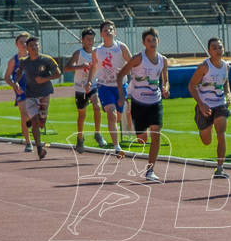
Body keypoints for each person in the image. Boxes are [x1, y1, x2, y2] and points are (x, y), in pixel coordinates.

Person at [116, 27, 170, 182]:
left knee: (156, 133)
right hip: (138, 102)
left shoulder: (163, 60)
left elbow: (165, 80)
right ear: (144, 43)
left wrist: (166, 88)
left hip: (155, 101)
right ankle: (139, 130)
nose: (152, 43)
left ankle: (150, 170)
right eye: (149, 40)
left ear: (158, 41)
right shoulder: (138, 58)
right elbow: (121, 75)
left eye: (154, 40)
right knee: (141, 139)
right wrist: (121, 95)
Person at [86, 20, 133, 157]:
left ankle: (115, 127)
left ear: (115, 32)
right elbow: (94, 67)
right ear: (101, 33)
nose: (108, 32)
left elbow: (132, 64)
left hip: (120, 87)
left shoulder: (121, 47)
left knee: (118, 116)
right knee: (111, 114)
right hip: (104, 86)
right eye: (105, 30)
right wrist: (89, 81)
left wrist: (123, 71)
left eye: (110, 29)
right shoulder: (97, 51)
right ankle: (117, 147)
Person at [188, 37, 231, 179]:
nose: (218, 50)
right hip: (205, 105)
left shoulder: (226, 66)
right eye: (214, 48)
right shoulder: (204, 67)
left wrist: (228, 93)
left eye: (220, 47)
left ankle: (220, 168)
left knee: (221, 133)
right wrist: (201, 104)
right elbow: (192, 85)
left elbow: (225, 82)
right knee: (207, 141)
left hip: (220, 103)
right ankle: (206, 126)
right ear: (209, 51)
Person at [17, 35, 62, 160]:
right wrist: (16, 83)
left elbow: (58, 73)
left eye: (36, 45)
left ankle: (37, 119)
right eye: (31, 46)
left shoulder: (47, 60)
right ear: (27, 48)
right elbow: (20, 71)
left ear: (39, 46)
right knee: (36, 122)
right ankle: (39, 149)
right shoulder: (24, 61)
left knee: (42, 122)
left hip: (44, 93)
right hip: (30, 94)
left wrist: (45, 79)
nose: (34, 48)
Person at [62, 28, 105, 153]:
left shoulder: (97, 52)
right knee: (82, 115)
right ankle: (80, 138)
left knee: (97, 106)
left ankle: (98, 134)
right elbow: (66, 68)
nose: (90, 42)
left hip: (93, 85)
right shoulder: (78, 53)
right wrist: (81, 66)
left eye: (92, 39)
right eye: (87, 39)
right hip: (80, 87)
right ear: (82, 40)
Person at [4, 33, 32, 151]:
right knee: (24, 114)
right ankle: (28, 143)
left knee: (35, 115)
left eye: (26, 42)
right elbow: (7, 77)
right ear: (16, 44)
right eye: (21, 42)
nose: (24, 44)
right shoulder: (13, 61)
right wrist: (14, 85)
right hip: (21, 90)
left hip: (34, 89)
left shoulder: (34, 58)